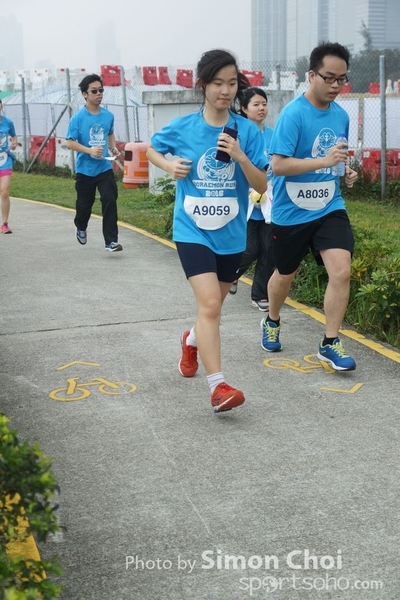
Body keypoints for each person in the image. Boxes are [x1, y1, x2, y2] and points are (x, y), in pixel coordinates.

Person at [147, 49, 268, 412]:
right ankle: (218, 387)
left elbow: (262, 183)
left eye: (232, 83)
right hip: (192, 230)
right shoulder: (184, 127)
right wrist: (169, 166)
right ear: (202, 85)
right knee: (212, 304)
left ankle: (191, 340)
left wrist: (240, 155)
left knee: (210, 311)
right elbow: (151, 149)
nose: (225, 91)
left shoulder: (248, 131)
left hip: (230, 233)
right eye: (217, 83)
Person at [261, 41, 358, 371]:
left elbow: (336, 158)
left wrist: (345, 171)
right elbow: (278, 166)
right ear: (312, 75)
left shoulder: (341, 115)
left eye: (341, 79)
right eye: (329, 78)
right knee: (285, 275)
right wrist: (324, 162)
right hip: (292, 211)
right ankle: (272, 319)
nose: (335, 85)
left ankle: (330, 342)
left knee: (341, 271)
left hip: (329, 205)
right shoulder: (293, 114)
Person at [229, 87, 274, 311]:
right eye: (256, 104)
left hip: (271, 201)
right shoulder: (238, 135)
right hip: (245, 201)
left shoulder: (274, 135)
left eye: (264, 104)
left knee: (269, 250)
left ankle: (259, 294)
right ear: (244, 109)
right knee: (249, 248)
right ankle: (231, 273)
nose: (261, 108)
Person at [66, 74, 122, 252]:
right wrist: (90, 150)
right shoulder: (78, 118)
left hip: (104, 167)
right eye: (94, 91)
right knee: (84, 206)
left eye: (101, 90)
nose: (99, 94)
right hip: (85, 170)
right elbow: (70, 143)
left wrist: (113, 148)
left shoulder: (108, 116)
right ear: (85, 94)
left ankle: (111, 241)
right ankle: (81, 226)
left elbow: (109, 133)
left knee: (109, 199)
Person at [0, 99, 17, 234]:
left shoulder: (8, 123)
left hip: (4, 160)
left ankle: (5, 224)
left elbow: (14, 136)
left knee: (4, 191)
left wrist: (14, 143)